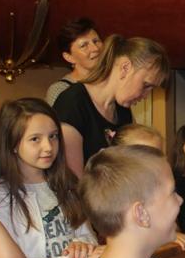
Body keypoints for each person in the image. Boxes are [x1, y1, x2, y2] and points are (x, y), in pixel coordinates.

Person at [0, 99, 101, 258]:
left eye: (53, 136)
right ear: (13, 144)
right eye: (35, 139)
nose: (48, 147)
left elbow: (87, 234)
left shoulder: (67, 182)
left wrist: (83, 245)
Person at [53, 34, 169, 177]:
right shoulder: (73, 104)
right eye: (145, 85)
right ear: (125, 68)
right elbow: (72, 181)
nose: (145, 96)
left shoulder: (123, 110)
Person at [111, 123, 185, 255]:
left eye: (159, 156)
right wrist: (164, 236)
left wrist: (173, 233)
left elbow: (173, 223)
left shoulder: (163, 188)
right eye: (147, 157)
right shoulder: (118, 195)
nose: (156, 163)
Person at [45, 18, 103, 106]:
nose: (95, 48)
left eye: (96, 41)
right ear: (69, 57)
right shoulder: (61, 90)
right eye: (84, 45)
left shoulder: (114, 79)